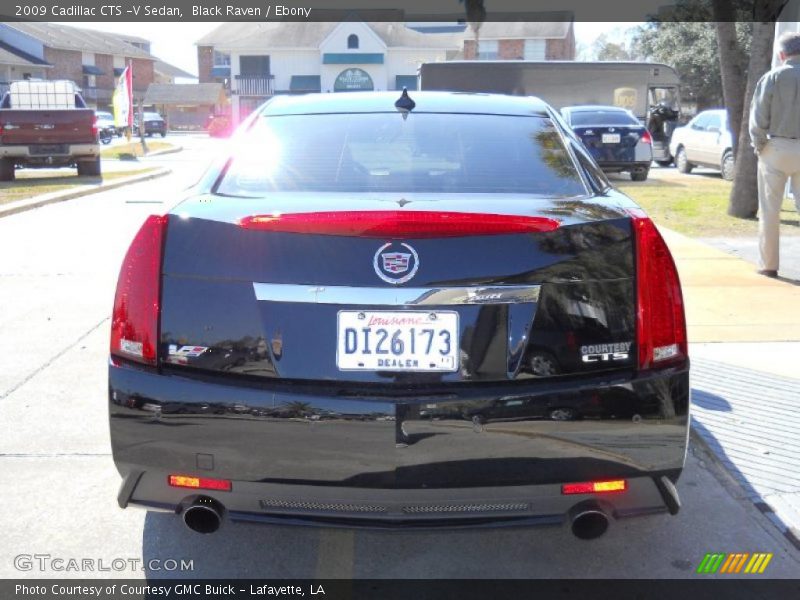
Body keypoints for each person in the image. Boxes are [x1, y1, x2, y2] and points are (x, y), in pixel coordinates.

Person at [749, 31, 800, 278]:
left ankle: (769, 265)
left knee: (770, 210)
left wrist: (760, 147)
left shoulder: (772, 77)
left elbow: (758, 119)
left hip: (776, 147)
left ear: (782, 54)